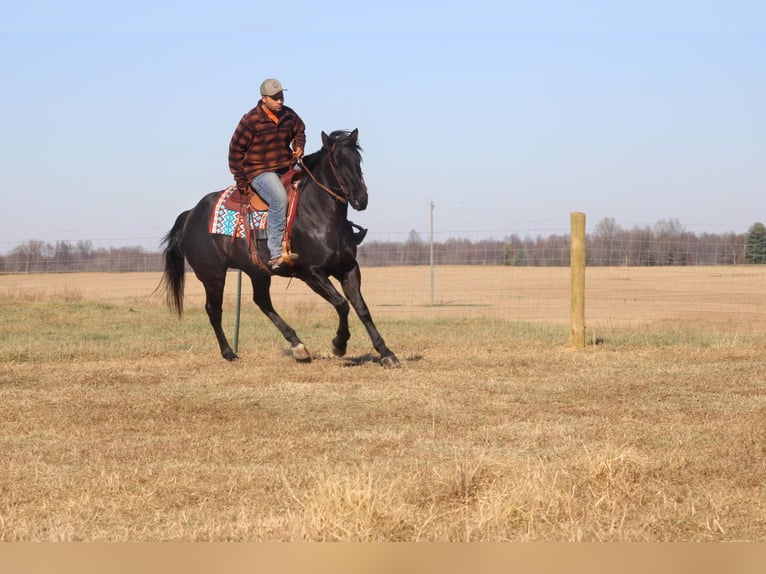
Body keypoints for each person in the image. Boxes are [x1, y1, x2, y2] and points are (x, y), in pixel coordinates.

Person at [229, 78, 306, 271]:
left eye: (281, 96)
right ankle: (275, 253)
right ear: (264, 99)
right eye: (275, 98)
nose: (280, 101)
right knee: (279, 199)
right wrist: (242, 183)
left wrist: (299, 146)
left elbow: (300, 131)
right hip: (259, 171)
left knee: (313, 184)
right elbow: (235, 152)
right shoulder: (250, 120)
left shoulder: (289, 115)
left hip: (285, 165)